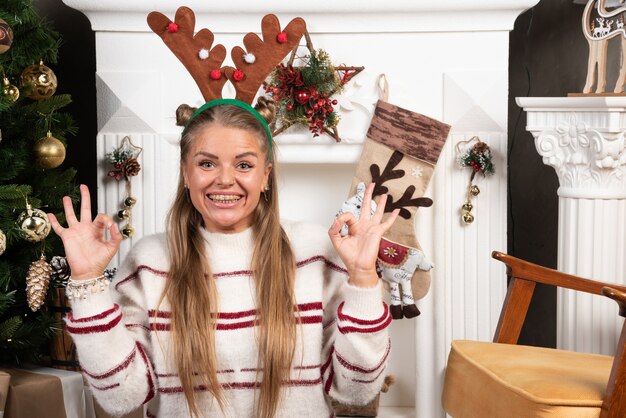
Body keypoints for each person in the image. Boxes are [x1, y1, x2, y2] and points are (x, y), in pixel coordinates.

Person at [49, 97, 399, 418]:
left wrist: (364, 277)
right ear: (186, 173)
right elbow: (120, 397)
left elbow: (356, 391)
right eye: (206, 163)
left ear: (266, 175)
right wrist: (87, 282)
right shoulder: (149, 262)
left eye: (244, 165)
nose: (225, 180)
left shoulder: (314, 253)